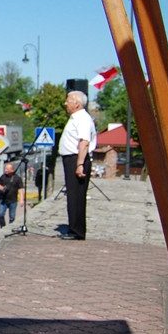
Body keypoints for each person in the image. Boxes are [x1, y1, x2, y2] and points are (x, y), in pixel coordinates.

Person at [58, 90, 97, 240]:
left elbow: (84, 142)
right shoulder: (75, 118)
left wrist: (80, 164)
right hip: (71, 158)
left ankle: (77, 231)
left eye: (68, 100)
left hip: (77, 159)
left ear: (77, 104)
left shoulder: (83, 119)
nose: (65, 103)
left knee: (76, 196)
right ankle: (73, 227)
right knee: (72, 195)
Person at [0, 162, 24, 228]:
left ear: (12, 170)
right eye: (5, 169)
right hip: (3, 200)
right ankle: (3, 227)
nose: (6, 170)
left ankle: (10, 228)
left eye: (7, 169)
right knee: (1, 214)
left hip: (13, 200)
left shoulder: (17, 178)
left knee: (12, 217)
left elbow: (21, 189)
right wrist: (1, 188)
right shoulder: (3, 177)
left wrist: (21, 199)